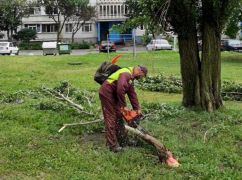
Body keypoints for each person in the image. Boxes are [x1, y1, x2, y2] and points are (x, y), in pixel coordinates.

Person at [99, 65, 148, 152]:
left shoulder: (130, 77)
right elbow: (120, 89)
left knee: (119, 116)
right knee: (111, 118)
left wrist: (137, 109)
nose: (139, 78)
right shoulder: (126, 74)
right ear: (139, 71)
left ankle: (123, 141)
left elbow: (132, 94)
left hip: (114, 95)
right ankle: (112, 145)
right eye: (141, 76)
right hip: (107, 93)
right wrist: (123, 105)